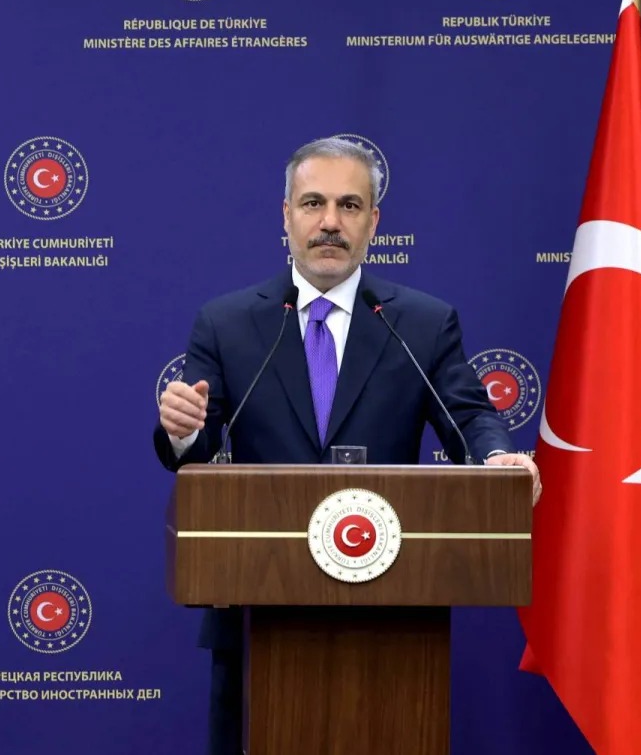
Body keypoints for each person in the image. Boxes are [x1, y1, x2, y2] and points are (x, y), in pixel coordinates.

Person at [152, 137, 540, 755]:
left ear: (373, 221)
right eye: (313, 203)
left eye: (349, 205)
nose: (330, 222)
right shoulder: (226, 322)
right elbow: (196, 452)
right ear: (286, 215)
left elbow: (468, 414)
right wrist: (184, 430)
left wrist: (496, 457)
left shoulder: (421, 322)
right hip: (256, 615)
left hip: (391, 618)